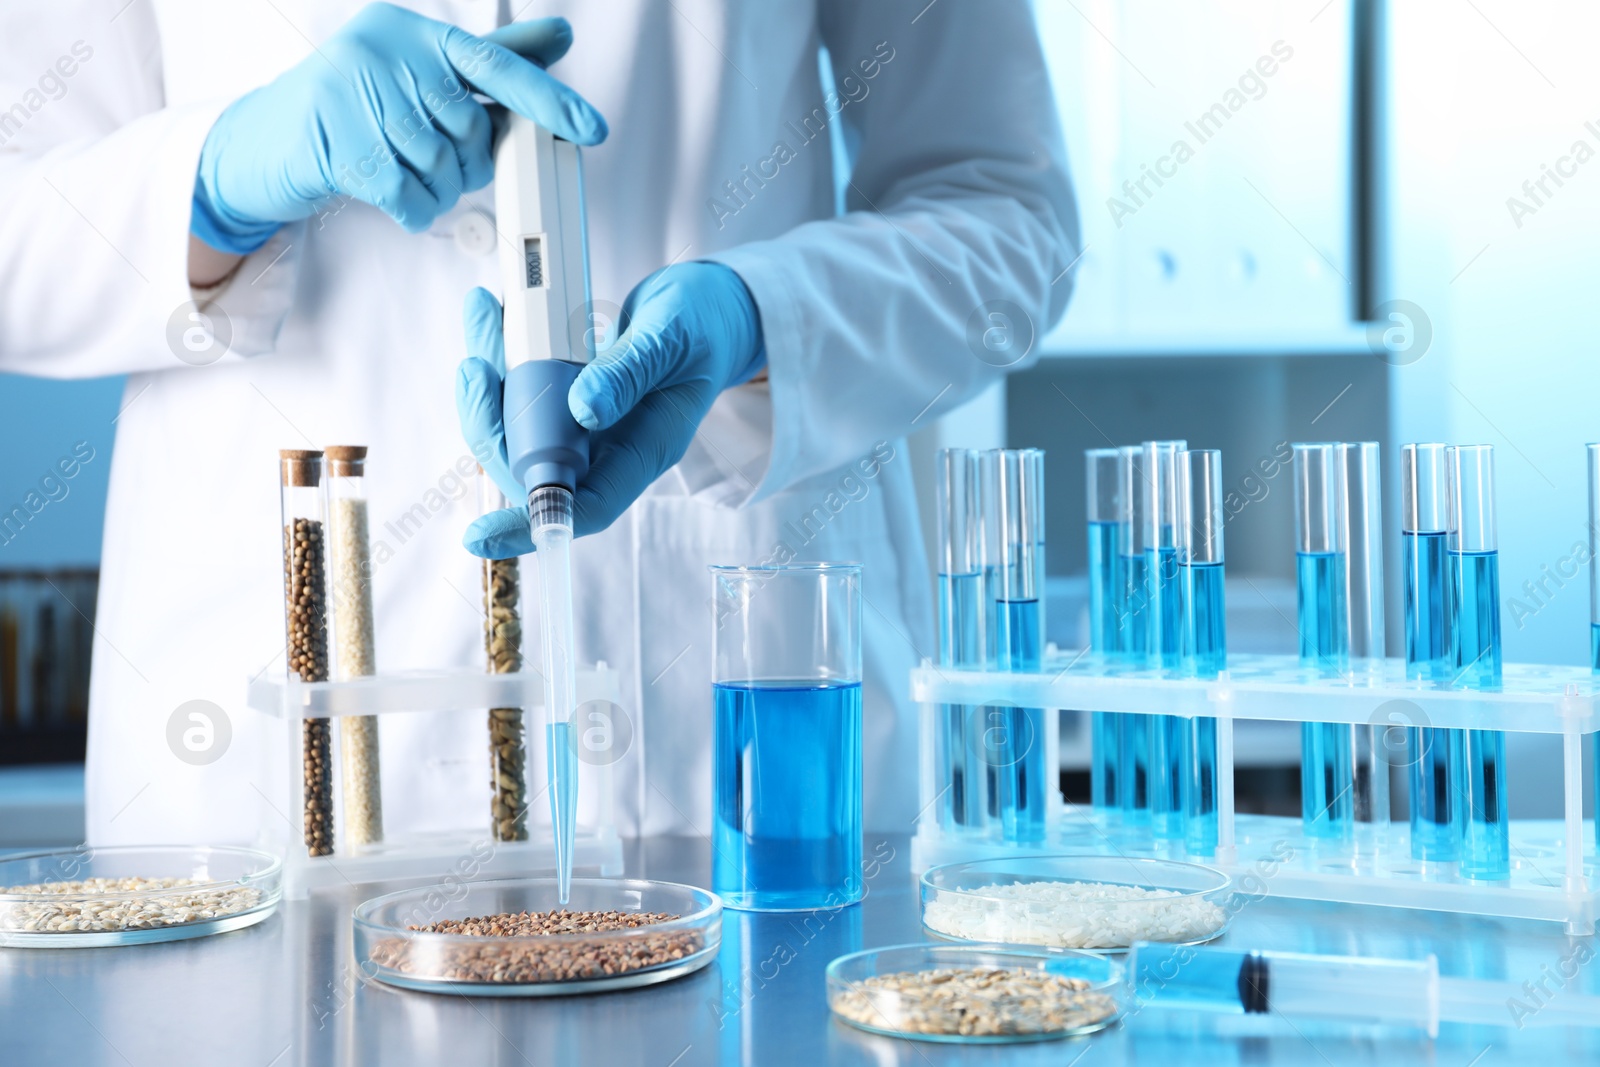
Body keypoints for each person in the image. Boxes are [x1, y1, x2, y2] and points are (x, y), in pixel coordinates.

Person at [0, 1, 1076, 845]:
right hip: (259, 781)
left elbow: (1007, 211)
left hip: (725, 724)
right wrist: (216, 180)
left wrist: (763, 322)